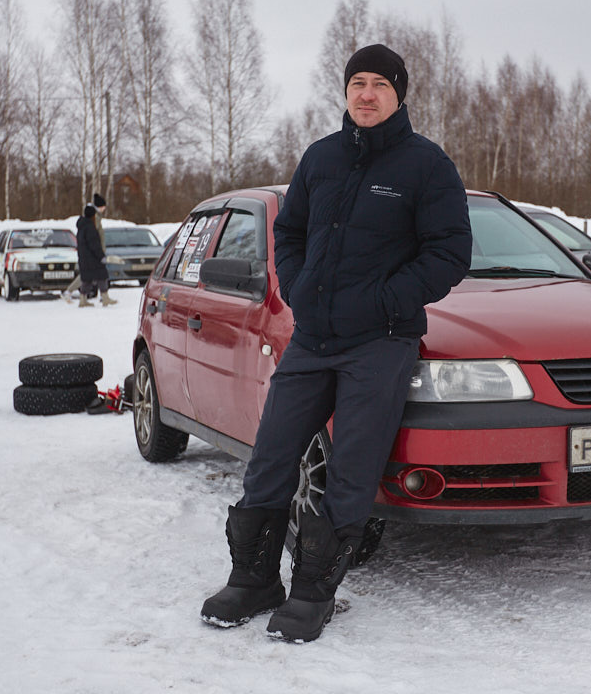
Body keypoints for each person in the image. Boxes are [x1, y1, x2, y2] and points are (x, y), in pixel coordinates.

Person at [200, 44, 472, 642]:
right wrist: (295, 285)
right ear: (345, 92)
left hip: (380, 342)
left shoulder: (426, 165)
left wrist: (382, 301)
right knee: (270, 458)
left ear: (399, 94)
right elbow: (289, 232)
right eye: (357, 83)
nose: (366, 94)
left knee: (349, 473)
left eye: (379, 83)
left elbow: (450, 253)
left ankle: (312, 592)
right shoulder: (320, 158)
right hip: (312, 339)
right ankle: (253, 579)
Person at [65, 193, 108, 303]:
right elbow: (94, 237)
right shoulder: (93, 219)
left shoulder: (94, 218)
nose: (104, 208)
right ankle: (70, 292)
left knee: (88, 276)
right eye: (103, 206)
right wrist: (100, 252)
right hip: (93, 252)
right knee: (89, 275)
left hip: (93, 252)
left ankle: (98, 297)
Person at [75, 194, 115, 307]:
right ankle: (105, 297)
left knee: (87, 279)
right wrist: (101, 256)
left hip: (84, 258)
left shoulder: (82, 227)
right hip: (93, 258)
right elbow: (94, 244)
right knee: (102, 276)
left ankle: (83, 299)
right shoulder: (90, 227)